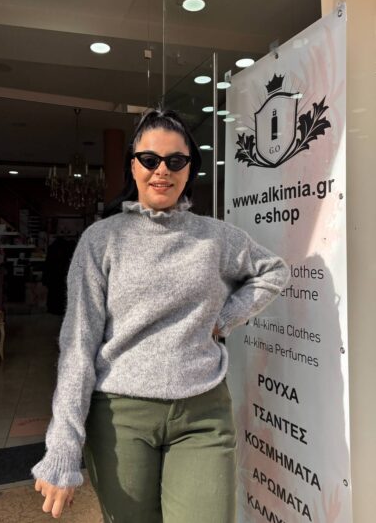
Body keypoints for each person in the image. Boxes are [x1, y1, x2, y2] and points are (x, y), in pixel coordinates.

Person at [32, 108, 289, 522]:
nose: (162, 170)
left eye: (176, 160)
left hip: (203, 412)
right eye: (149, 159)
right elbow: (78, 345)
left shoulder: (216, 237)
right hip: (120, 417)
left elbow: (273, 271)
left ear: (189, 170)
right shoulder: (101, 240)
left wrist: (225, 318)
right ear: (133, 166)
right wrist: (63, 444)